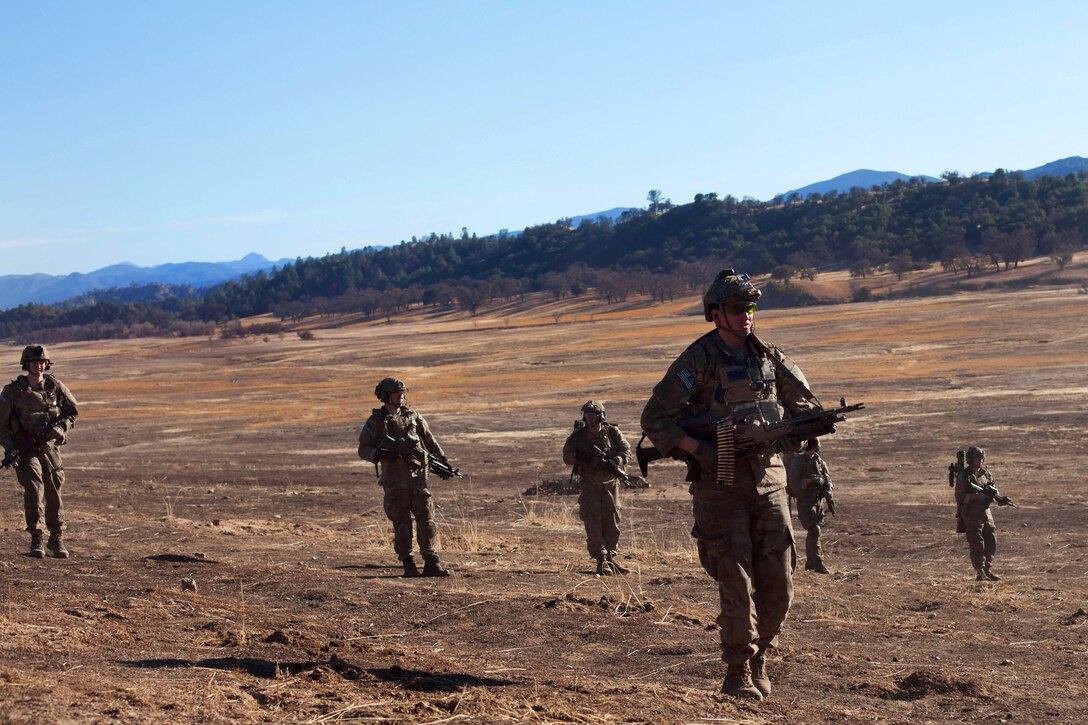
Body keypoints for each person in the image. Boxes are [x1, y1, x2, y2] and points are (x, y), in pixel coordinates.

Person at [640, 269, 820, 701]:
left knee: (780, 584)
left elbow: (806, 408)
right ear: (716, 314)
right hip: (720, 486)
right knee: (736, 580)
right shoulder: (698, 361)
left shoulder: (769, 357)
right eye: (738, 309)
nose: (747, 316)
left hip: (770, 483)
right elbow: (654, 418)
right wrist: (699, 449)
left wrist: (795, 429)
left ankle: (760, 655)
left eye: (751, 308)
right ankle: (737, 669)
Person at [357, 377, 451, 577]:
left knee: (426, 518)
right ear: (385, 396)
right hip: (394, 482)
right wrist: (381, 454)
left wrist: (443, 461)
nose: (402, 396)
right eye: (397, 393)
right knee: (401, 523)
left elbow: (430, 441)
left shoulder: (414, 417)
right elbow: (363, 449)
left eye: (403, 393)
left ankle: (431, 561)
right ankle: (408, 562)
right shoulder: (376, 422)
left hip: (417, 478)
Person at [0, 345, 79, 558]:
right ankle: (37, 537)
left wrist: (60, 429)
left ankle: (56, 538)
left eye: (42, 362)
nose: (39, 365)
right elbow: (2, 425)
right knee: (34, 490)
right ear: (26, 364)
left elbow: (72, 413)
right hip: (25, 448)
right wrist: (10, 449)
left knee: (54, 490)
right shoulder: (13, 391)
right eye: (35, 362)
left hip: (50, 448)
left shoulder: (55, 386)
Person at [562, 400, 632, 576]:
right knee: (593, 523)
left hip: (610, 485)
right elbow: (567, 457)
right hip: (590, 486)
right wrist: (581, 457)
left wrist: (617, 461)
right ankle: (600, 560)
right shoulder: (579, 436)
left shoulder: (612, 432)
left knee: (612, 522)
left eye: (593, 415)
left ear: (601, 416)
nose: (589, 418)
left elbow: (626, 451)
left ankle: (610, 558)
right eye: (587, 415)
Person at [954, 446, 1011, 581]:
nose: (979, 461)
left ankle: (987, 570)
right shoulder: (964, 475)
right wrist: (975, 497)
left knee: (991, 540)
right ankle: (980, 572)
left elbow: (993, 491)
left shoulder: (986, 474)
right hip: (971, 513)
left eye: (981, 458)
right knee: (977, 542)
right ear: (970, 459)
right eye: (976, 459)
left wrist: (1000, 498)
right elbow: (960, 498)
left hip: (986, 511)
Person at [786, 438, 832, 574]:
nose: (814, 450)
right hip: (805, 501)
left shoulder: (819, 462)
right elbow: (793, 482)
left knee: (815, 531)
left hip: (818, 501)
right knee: (814, 530)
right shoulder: (798, 461)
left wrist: (828, 490)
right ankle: (817, 562)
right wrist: (809, 481)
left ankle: (811, 562)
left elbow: (827, 479)